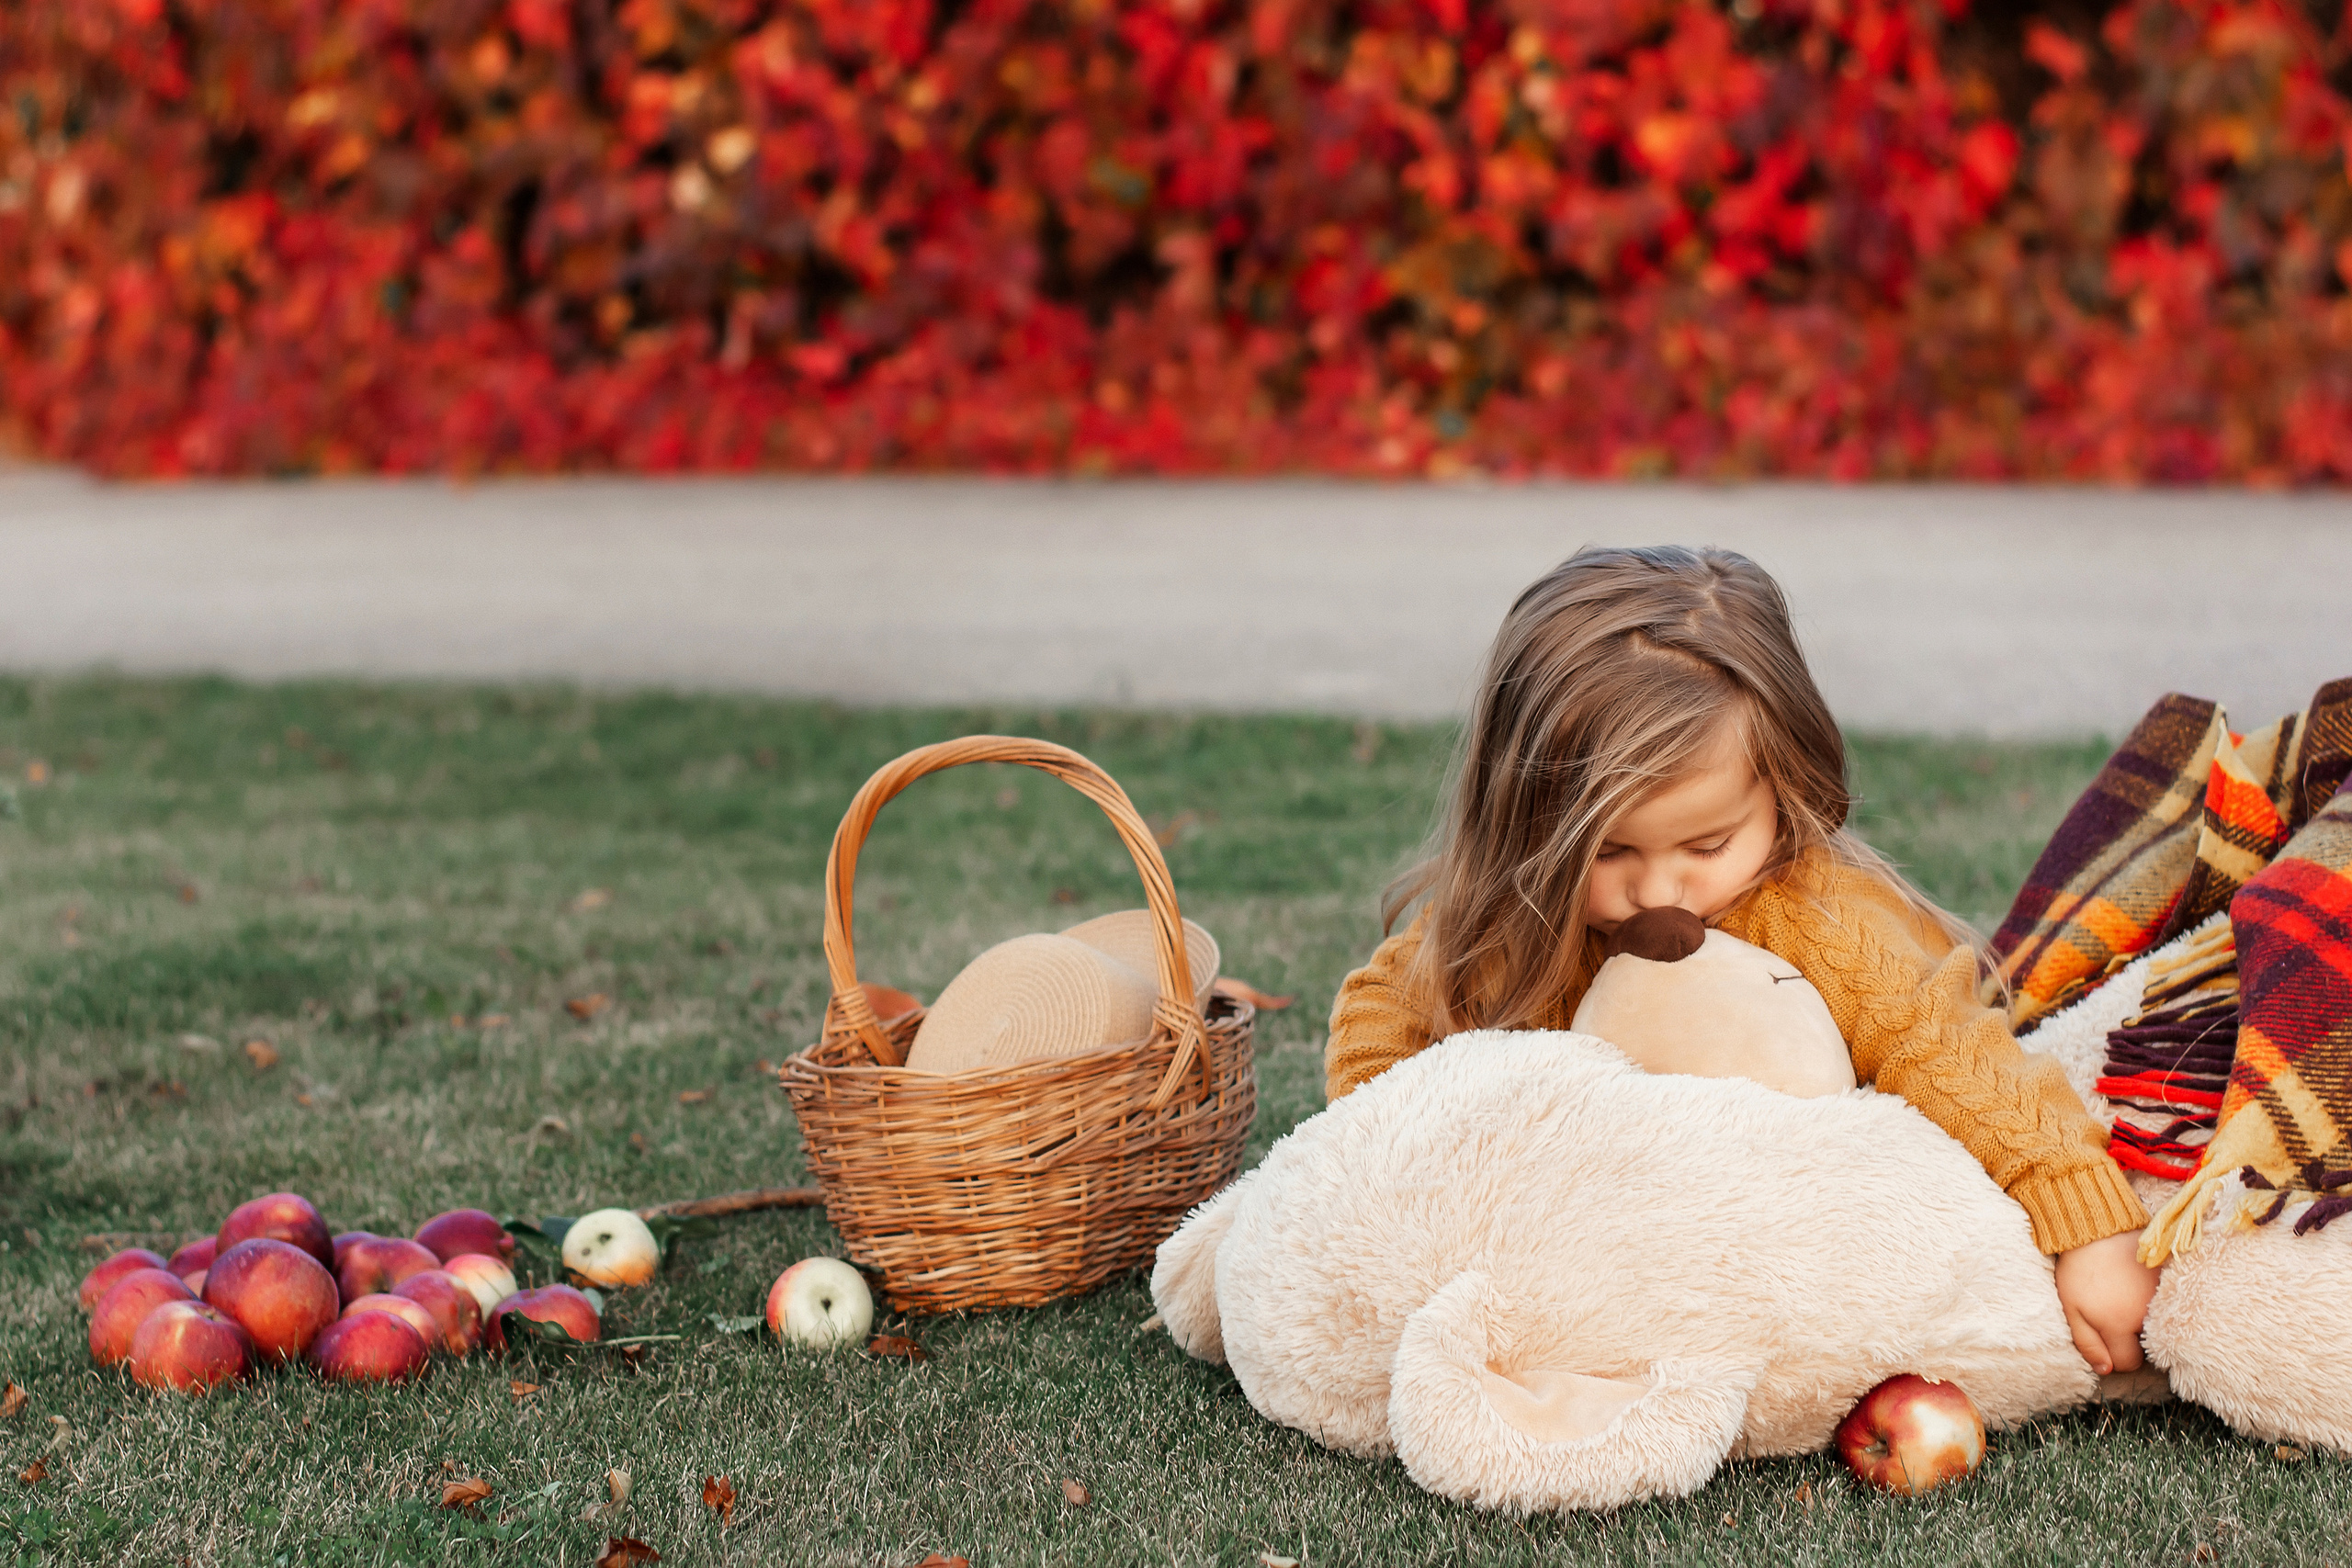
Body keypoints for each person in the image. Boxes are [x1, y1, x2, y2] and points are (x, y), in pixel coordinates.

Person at [1324, 545, 2160, 1376]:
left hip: (1782, 1264)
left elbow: (1951, 1049)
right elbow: (1383, 1016)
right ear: (1527, 824)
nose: (1660, 890)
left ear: (1786, 787)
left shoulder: (1818, 917)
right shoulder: (1511, 918)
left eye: (1708, 843)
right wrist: (1383, 1161)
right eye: (1608, 851)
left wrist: (2085, 1217)